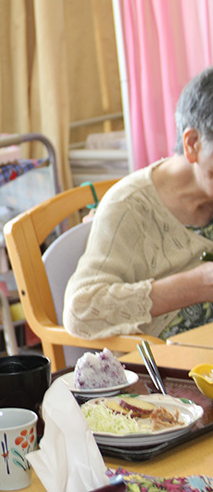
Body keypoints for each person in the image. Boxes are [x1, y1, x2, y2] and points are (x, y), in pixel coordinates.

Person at [65, 65, 213, 340]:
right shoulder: (129, 207)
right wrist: (199, 284)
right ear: (193, 143)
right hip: (167, 370)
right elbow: (81, 310)